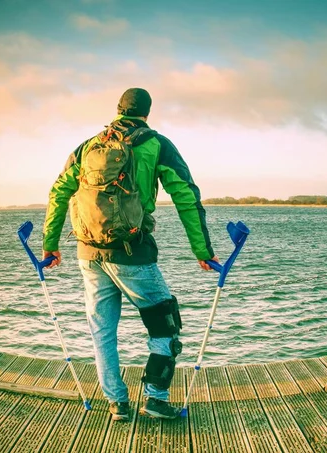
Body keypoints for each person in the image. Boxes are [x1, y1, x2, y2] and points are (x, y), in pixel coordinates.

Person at [41, 88, 218, 421]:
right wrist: (203, 251)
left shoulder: (88, 146)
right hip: (133, 254)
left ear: (118, 110)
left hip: (88, 254)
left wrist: (50, 244)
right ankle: (155, 397)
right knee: (165, 324)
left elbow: (59, 191)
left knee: (102, 331)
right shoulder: (157, 144)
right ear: (147, 114)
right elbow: (186, 195)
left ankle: (117, 402)